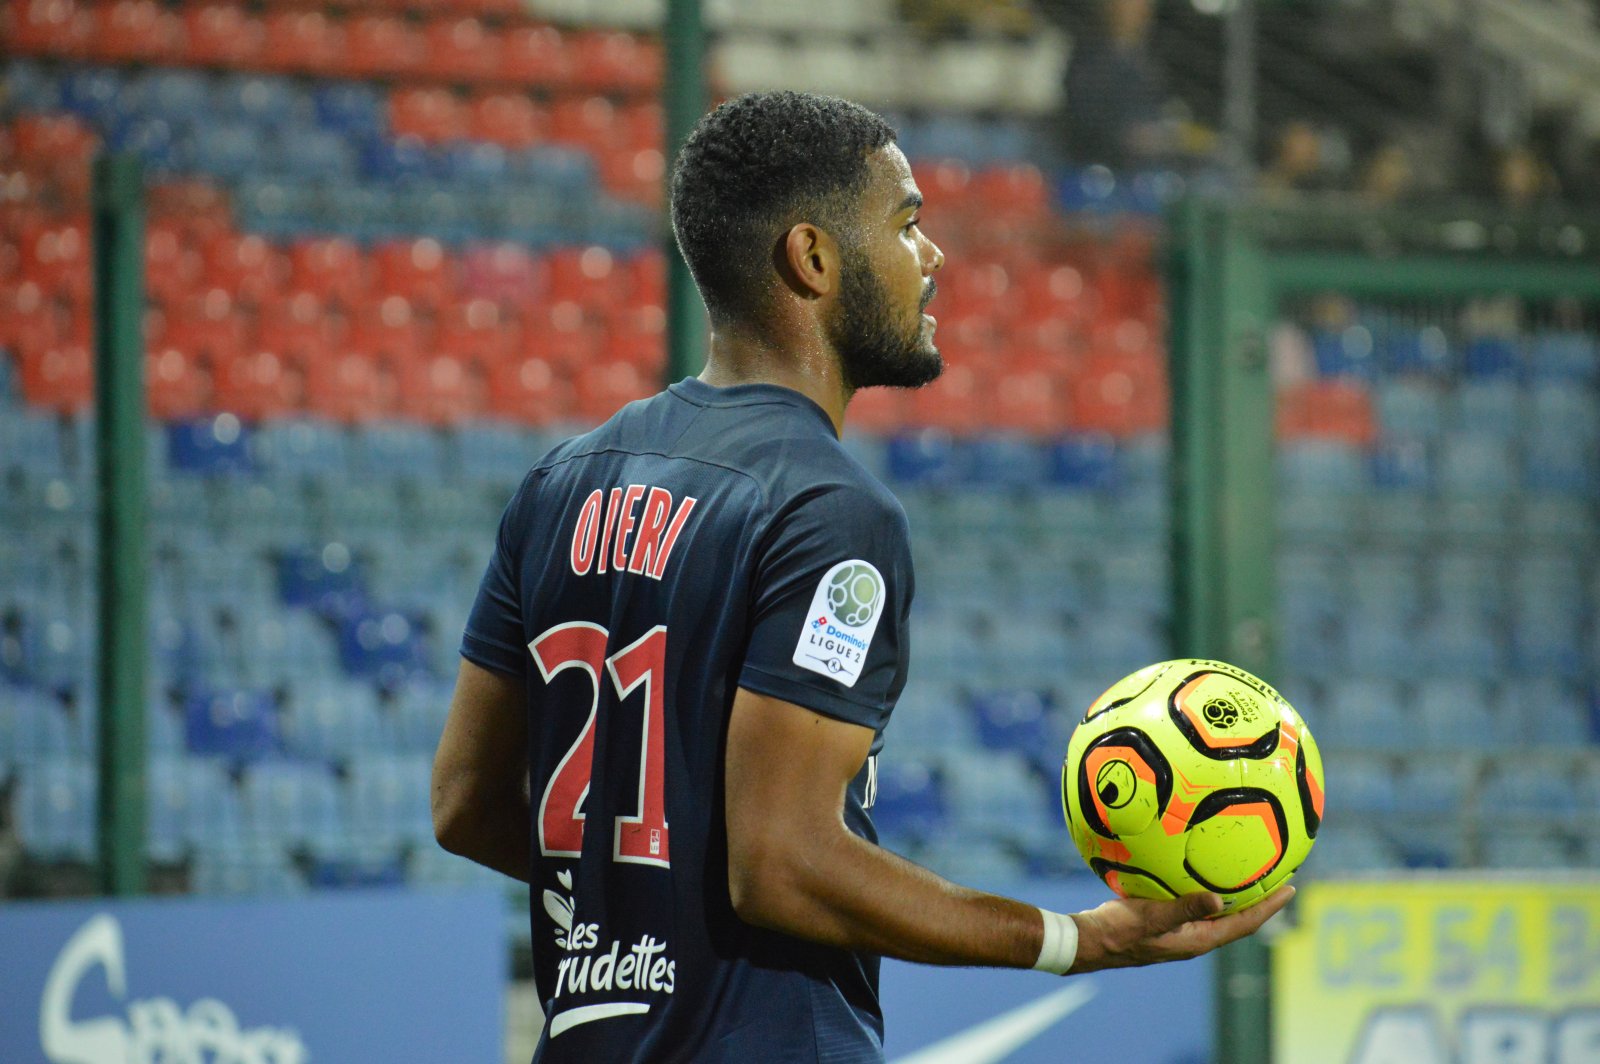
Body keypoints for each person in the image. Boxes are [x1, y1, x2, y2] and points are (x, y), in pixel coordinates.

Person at [431, 91, 1292, 1063]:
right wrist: (1070, 939)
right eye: (907, 222)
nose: (932, 256)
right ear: (813, 257)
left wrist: (637, 900)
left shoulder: (561, 481)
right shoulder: (826, 508)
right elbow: (783, 863)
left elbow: (464, 801)